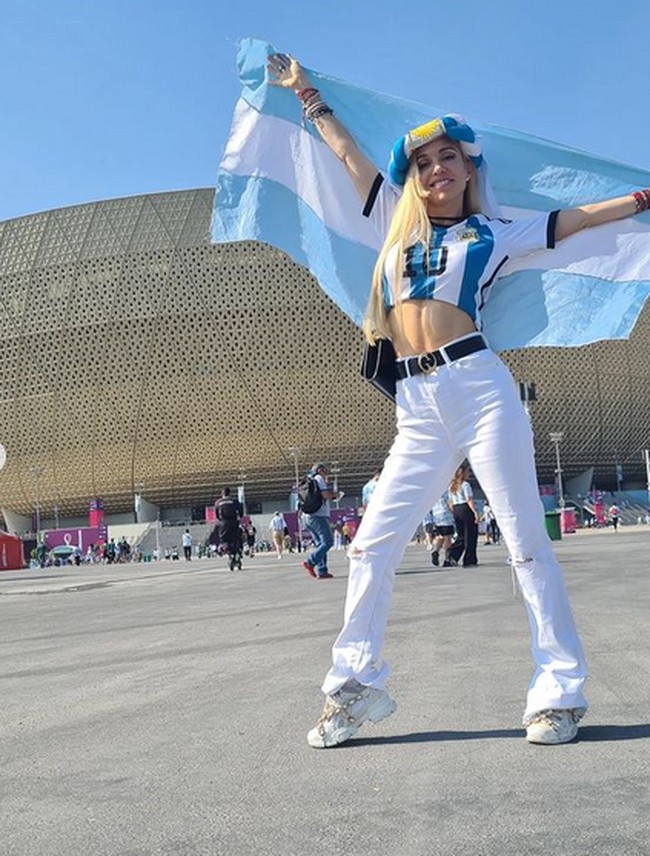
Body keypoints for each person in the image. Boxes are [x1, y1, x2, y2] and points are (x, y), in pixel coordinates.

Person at [268, 52, 648, 749]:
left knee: (527, 544)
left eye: (450, 158)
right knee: (371, 547)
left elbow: (570, 222)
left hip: (479, 389)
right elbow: (346, 152)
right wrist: (307, 94)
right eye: (424, 162)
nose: (436, 169)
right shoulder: (393, 219)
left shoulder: (491, 233)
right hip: (414, 406)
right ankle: (355, 688)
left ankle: (558, 693)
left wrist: (639, 201)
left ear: (470, 170)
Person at [300, 463, 340, 580]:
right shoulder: (318, 478)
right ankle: (310, 562)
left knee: (320, 544)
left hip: (307, 516)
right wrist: (335, 495)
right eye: (325, 471)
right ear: (320, 470)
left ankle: (322, 571)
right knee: (328, 542)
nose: (326, 473)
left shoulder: (309, 480)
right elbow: (325, 494)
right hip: (318, 516)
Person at [447, 464, 480, 567]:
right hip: (465, 508)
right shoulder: (465, 485)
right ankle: (469, 559)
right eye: (468, 472)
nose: (469, 474)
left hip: (457, 509)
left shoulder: (451, 486)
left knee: (461, 535)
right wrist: (475, 512)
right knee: (470, 535)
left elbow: (450, 502)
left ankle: (452, 557)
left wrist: (454, 513)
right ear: (463, 473)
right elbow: (469, 499)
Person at [215, 487, 244, 571]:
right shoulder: (234, 501)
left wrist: (221, 520)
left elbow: (217, 515)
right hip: (234, 522)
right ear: (229, 493)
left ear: (222, 494)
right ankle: (237, 553)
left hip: (224, 523)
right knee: (236, 539)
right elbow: (241, 511)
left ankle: (228, 553)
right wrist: (239, 517)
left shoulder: (218, 502)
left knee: (224, 540)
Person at [429, 491, 456, 567]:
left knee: (440, 536)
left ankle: (436, 551)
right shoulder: (446, 492)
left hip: (437, 515)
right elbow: (449, 503)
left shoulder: (434, 492)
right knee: (448, 537)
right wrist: (454, 513)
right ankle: (447, 558)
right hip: (446, 515)